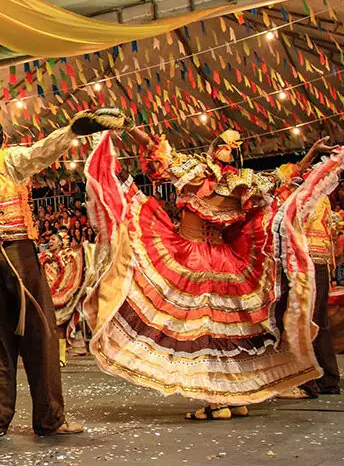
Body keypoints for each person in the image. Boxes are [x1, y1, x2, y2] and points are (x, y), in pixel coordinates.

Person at [84, 127, 342, 421]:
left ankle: (216, 401)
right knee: (225, 330)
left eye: (231, 146)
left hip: (193, 259)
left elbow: (157, 148)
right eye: (227, 146)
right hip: (226, 262)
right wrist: (310, 155)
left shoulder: (202, 172)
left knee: (204, 332)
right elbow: (282, 176)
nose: (229, 149)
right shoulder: (240, 181)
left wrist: (127, 128)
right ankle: (230, 398)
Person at [0, 109, 124, 438]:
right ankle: (50, 419)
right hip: (20, 256)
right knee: (41, 336)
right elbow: (43, 151)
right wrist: (72, 130)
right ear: (4, 140)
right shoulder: (11, 160)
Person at [278, 172, 341, 398]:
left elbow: (294, 230)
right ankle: (327, 379)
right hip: (319, 263)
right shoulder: (321, 198)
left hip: (308, 263)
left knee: (305, 321)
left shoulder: (308, 199)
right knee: (318, 320)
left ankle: (310, 380)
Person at [39, 230, 85, 367]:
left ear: (60, 242)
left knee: (59, 328)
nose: (50, 241)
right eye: (49, 240)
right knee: (46, 327)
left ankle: (61, 357)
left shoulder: (67, 255)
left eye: (53, 239)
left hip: (61, 295)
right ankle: (48, 356)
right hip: (45, 295)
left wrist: (58, 260)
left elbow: (72, 270)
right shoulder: (43, 256)